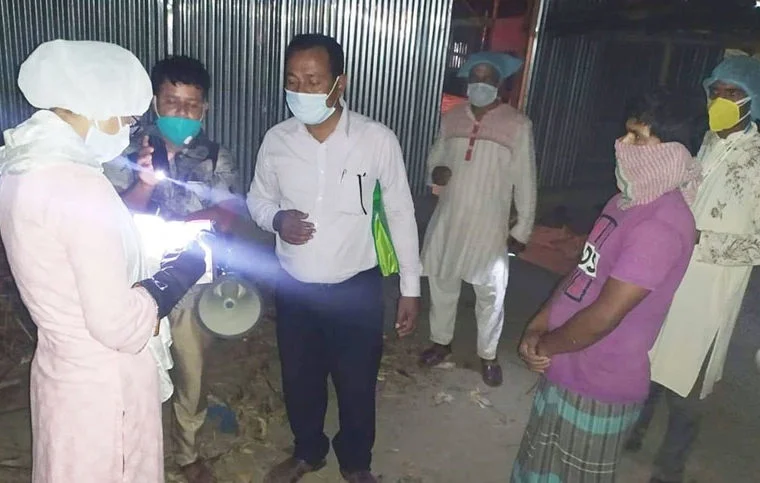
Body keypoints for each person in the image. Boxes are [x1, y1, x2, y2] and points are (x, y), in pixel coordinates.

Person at [0, 39, 207, 483]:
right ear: (98, 108)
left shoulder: (22, 166)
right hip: (104, 387)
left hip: (61, 370)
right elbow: (118, 325)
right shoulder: (78, 184)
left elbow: (73, 258)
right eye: (127, 119)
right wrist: (172, 278)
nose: (128, 130)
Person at [247, 33, 421, 483]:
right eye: (292, 80)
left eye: (313, 80)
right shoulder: (277, 141)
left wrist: (410, 287)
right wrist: (277, 219)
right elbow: (257, 199)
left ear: (339, 83)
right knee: (299, 377)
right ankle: (308, 450)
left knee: (356, 381)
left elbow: (400, 211)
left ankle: (356, 461)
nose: (301, 91)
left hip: (355, 289)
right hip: (295, 287)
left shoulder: (375, 139)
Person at [512, 88, 703, 483]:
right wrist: (538, 325)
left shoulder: (661, 224)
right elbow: (584, 271)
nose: (622, 145)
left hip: (599, 383)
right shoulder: (624, 202)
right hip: (564, 365)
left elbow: (604, 316)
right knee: (537, 470)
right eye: (625, 133)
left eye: (638, 137)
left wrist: (545, 346)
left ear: (674, 153)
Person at [103, 55, 242, 483]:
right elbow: (111, 216)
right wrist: (143, 184)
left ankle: (187, 452)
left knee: (191, 374)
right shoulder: (124, 152)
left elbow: (229, 214)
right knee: (131, 374)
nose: (181, 113)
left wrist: (184, 223)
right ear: (154, 102)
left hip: (192, 283)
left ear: (205, 108)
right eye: (172, 102)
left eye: (191, 105)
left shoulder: (216, 157)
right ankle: (129, 453)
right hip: (133, 283)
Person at [627, 55, 760, 483]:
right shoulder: (706, 141)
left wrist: (701, 239)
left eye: (732, 93)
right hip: (670, 273)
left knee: (688, 383)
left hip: (710, 291)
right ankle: (633, 430)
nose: (720, 101)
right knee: (648, 360)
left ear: (752, 100)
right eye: (715, 92)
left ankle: (670, 468)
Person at [418, 51, 537, 386]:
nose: (480, 84)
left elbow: (525, 179)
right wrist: (436, 172)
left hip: (489, 222)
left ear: (500, 84)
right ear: (467, 82)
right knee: (442, 280)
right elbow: (436, 157)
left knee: (490, 291)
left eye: (488, 78)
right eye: (475, 77)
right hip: (450, 216)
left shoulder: (517, 124)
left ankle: (488, 354)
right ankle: (441, 342)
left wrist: (522, 228)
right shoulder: (452, 118)